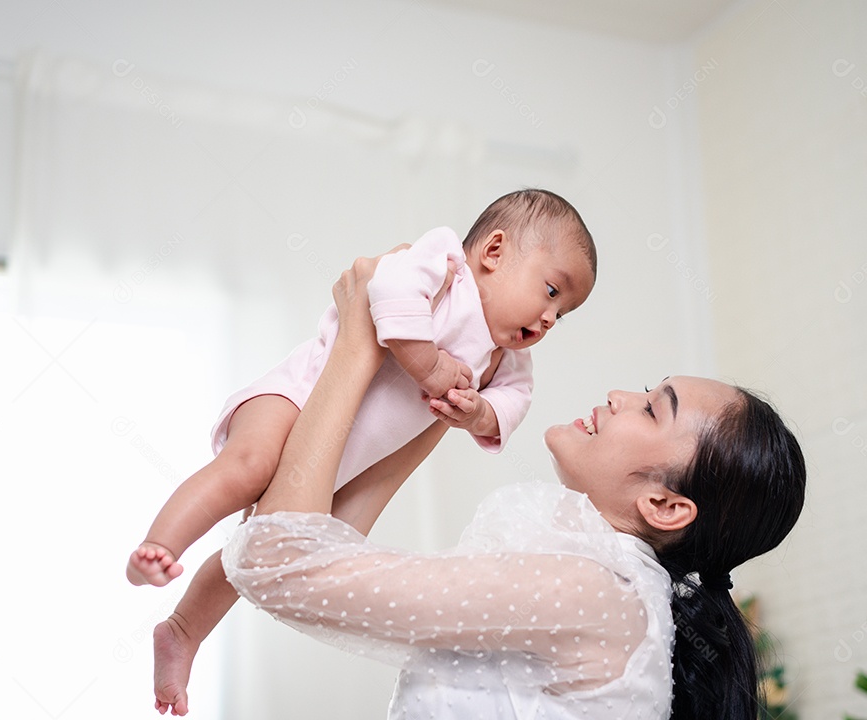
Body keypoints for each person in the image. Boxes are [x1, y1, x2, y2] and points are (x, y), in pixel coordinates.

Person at [208, 256, 808, 719]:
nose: (623, 397)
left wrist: (358, 347)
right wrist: (431, 394)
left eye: (653, 411)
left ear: (665, 505)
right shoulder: (605, 589)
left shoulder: (593, 592)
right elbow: (319, 553)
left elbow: (280, 566)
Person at [127, 188, 597, 589]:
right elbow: (387, 286)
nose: (551, 318)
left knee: (255, 548)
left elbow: (513, 404)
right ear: (493, 252)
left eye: (565, 313)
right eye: (552, 292)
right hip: (295, 397)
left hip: (335, 463)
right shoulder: (446, 264)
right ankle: (158, 544)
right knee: (248, 466)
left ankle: (184, 630)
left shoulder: (504, 358)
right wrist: (430, 368)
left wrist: (477, 414)